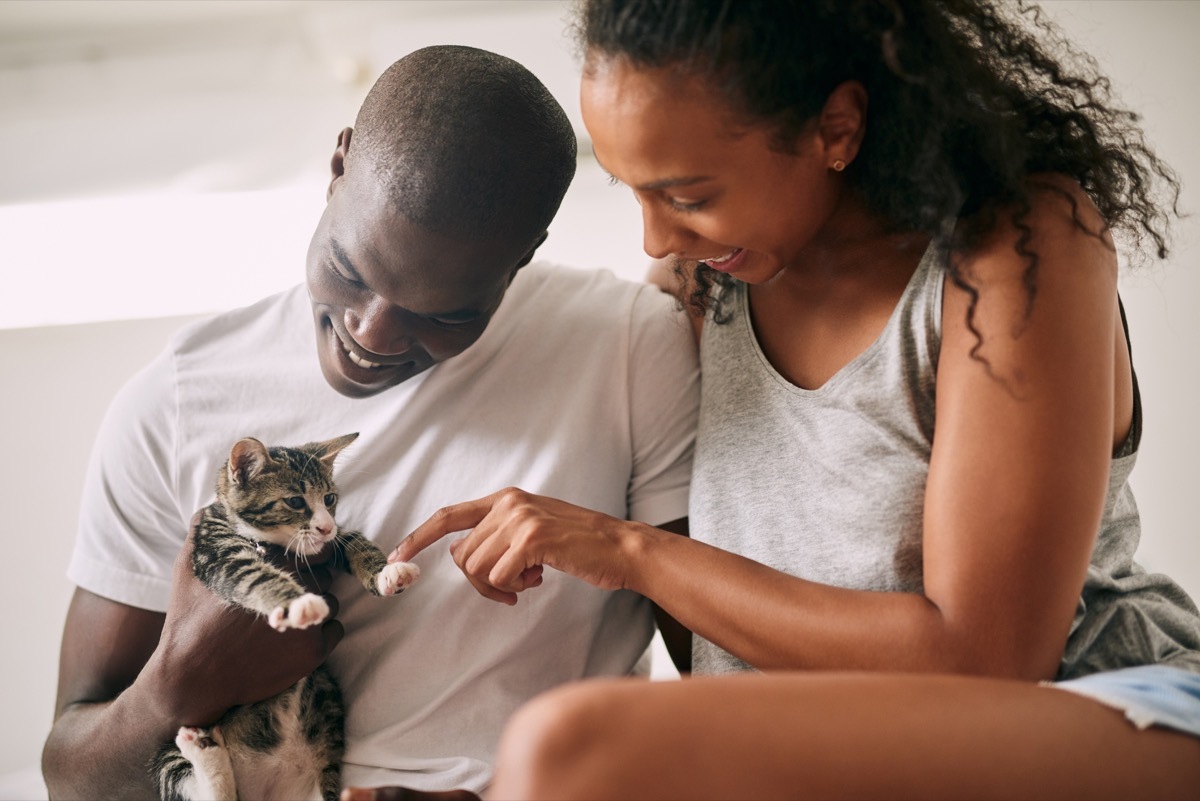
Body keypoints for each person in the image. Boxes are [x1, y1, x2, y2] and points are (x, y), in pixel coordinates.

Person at [381, 1, 1200, 798]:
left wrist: (632, 553)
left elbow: (986, 658)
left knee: (569, 745)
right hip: (858, 752)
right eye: (630, 189)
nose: (656, 241)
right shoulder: (699, 289)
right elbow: (718, 646)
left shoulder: (1015, 248)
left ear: (835, 129)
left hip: (1106, 703)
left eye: (689, 196)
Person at [42, 44, 699, 799]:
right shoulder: (177, 403)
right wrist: (176, 685)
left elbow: (727, 691)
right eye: (348, 270)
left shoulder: (622, 347)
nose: (371, 335)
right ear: (338, 166)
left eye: (439, 313)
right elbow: (69, 776)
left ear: (523, 257)